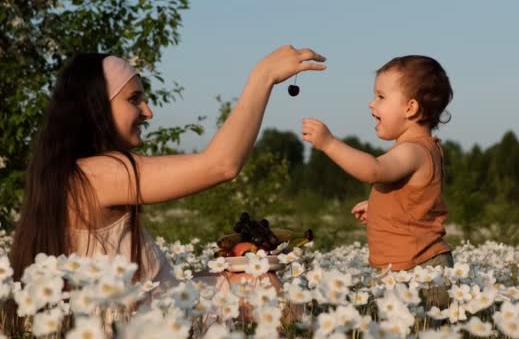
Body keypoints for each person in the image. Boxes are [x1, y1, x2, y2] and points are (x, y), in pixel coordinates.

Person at [3, 45, 325, 333]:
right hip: (144, 326)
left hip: (140, 316)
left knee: (250, 279)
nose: (148, 112)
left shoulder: (71, 173)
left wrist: (220, 276)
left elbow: (149, 284)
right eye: (133, 99)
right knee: (264, 286)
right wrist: (263, 75)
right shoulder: (97, 174)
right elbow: (221, 165)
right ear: (94, 108)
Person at [301, 55, 454, 306]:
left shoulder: (413, 151)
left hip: (420, 270)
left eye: (381, 97)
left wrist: (329, 144)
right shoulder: (417, 149)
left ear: (410, 108)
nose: (372, 104)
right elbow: (415, 202)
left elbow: (374, 170)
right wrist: (381, 207)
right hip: (402, 269)